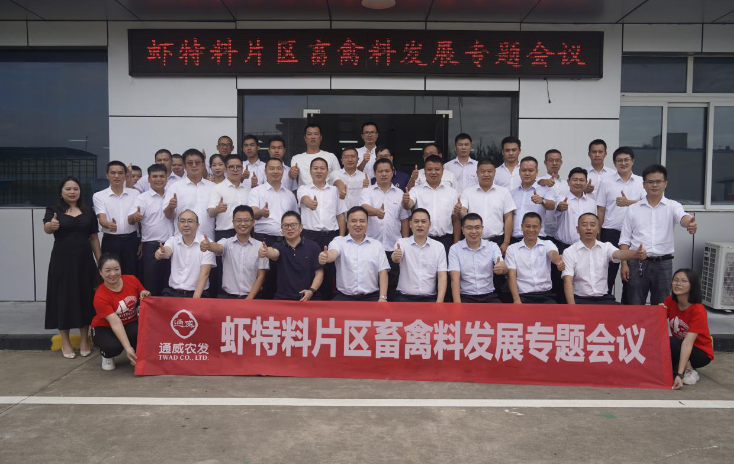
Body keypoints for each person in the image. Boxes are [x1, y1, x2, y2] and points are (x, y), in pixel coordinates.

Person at [619, 164, 697, 305]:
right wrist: (624, 264)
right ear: (644, 185)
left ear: (665, 184)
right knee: (634, 305)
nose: (654, 185)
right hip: (637, 263)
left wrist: (689, 223)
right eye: (650, 182)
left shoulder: (673, 206)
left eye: (658, 181)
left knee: (662, 306)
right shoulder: (633, 209)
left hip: (663, 264)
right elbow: (624, 240)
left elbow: (683, 217)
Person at [43, 176, 101, 359]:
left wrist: (100, 263)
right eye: (68, 189)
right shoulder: (53, 211)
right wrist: (51, 225)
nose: (72, 192)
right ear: (61, 192)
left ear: (80, 192)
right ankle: (65, 341)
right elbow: (47, 228)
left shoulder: (88, 212)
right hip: (62, 262)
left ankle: (84, 340)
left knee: (85, 297)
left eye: (75, 188)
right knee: (63, 298)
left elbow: (93, 238)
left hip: (85, 262)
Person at [562, 213, 647, 305]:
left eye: (592, 225)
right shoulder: (569, 252)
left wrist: (635, 254)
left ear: (598, 229)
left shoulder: (606, 247)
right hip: (580, 299)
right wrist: (572, 308)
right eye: (584, 225)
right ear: (577, 229)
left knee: (623, 311)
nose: (589, 228)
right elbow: (567, 280)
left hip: (603, 299)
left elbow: (618, 254)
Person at [596, 147, 645, 298]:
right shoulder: (606, 182)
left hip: (633, 235)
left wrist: (629, 202)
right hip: (610, 233)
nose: (623, 163)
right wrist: (598, 234)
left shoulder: (641, 182)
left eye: (626, 160)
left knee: (631, 277)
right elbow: (601, 209)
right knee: (607, 275)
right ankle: (605, 304)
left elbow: (648, 204)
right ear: (614, 163)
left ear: (632, 161)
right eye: (619, 160)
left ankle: (627, 308)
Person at [297, 157, 347, 300]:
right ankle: (308, 299)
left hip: (331, 236)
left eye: (322, 168)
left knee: (330, 271)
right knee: (309, 269)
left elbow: (340, 215)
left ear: (327, 171)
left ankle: (326, 302)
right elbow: (304, 199)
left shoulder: (334, 191)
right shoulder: (303, 189)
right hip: (309, 236)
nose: (319, 171)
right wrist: (310, 203)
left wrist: (340, 237)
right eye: (315, 168)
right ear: (310, 171)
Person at [360, 158, 410, 299]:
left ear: (393, 172)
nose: (384, 174)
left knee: (393, 283)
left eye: (387, 171)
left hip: (393, 246)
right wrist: (377, 212)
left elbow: (404, 219)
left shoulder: (399, 193)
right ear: (374, 173)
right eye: (380, 171)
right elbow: (363, 207)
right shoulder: (367, 191)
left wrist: (405, 242)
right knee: (371, 283)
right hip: (370, 246)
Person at [249, 157, 299, 298]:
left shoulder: (290, 195)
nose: (275, 171)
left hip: (287, 242)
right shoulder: (256, 191)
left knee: (285, 279)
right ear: (265, 171)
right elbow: (252, 213)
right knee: (265, 278)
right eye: (271, 168)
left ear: (283, 171)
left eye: (278, 168)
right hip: (264, 240)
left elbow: (296, 217)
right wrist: (261, 212)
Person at [91, 253, 149, 371]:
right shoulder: (100, 296)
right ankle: (107, 355)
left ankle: (135, 354)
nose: (113, 274)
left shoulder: (132, 280)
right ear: (100, 272)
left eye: (116, 269)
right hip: (105, 327)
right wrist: (127, 348)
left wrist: (146, 294)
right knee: (113, 347)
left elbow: (144, 295)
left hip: (129, 323)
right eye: (108, 270)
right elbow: (115, 322)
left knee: (140, 333)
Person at [319, 206, 390, 301]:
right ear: (347, 223)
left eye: (362, 221)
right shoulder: (339, 242)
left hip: (371, 297)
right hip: (344, 297)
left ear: (367, 223)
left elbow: (383, 272)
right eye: (353, 221)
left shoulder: (377, 245)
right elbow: (333, 253)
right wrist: (326, 257)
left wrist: (383, 297)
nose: (358, 224)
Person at [200, 205, 268, 299]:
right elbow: (218, 247)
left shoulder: (261, 246)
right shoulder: (226, 243)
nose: (243, 224)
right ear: (233, 222)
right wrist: (209, 245)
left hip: (253, 298)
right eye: (239, 220)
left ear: (253, 222)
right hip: (228, 298)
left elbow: (261, 276)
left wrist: (248, 300)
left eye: (246, 220)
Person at [207, 154, 250, 298]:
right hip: (225, 232)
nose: (235, 170)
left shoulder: (248, 189)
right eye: (231, 167)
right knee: (223, 270)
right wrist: (217, 209)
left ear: (242, 169)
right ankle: (222, 299)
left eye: (238, 167)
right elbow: (210, 212)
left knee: (244, 267)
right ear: (226, 169)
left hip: (245, 233)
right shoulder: (218, 188)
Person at [128, 164, 174, 296]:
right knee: (151, 283)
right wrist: (135, 217)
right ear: (148, 179)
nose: (158, 179)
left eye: (161, 176)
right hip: (151, 247)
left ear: (166, 178)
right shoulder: (142, 198)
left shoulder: (172, 196)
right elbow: (130, 219)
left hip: (173, 245)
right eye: (154, 176)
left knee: (171, 282)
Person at [664, 269, 713, 389]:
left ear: (692, 285)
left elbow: (687, 343)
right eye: (675, 280)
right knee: (664, 342)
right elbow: (656, 326)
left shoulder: (698, 310)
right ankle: (677, 366)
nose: (678, 283)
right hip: (680, 346)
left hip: (700, 352)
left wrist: (679, 375)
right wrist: (658, 312)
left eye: (683, 281)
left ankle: (689, 370)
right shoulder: (669, 301)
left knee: (671, 342)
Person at [258, 211, 324, 301]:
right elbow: (274, 253)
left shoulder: (313, 246)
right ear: (281, 229)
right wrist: (266, 251)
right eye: (286, 225)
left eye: (293, 225)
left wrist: (311, 290)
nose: (289, 228)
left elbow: (319, 273)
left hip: (310, 298)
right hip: (283, 299)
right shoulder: (278, 246)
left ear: (301, 227)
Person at [403, 155, 460, 256]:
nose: (433, 172)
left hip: (445, 240)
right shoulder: (416, 190)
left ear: (442, 171)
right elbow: (408, 205)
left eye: (437, 169)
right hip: (421, 239)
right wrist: (406, 201)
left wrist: (456, 244)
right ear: (424, 172)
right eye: (429, 169)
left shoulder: (452, 193)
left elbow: (455, 219)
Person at [458, 158, 516, 255]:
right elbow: (463, 212)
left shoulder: (504, 192)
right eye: (482, 171)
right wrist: (459, 210)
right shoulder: (468, 192)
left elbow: (508, 218)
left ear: (494, 172)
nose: (486, 174)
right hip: (473, 241)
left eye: (489, 171)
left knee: (498, 265)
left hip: (497, 241)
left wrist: (506, 242)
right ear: (477, 173)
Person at [93, 161, 140, 276]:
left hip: (131, 240)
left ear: (125, 175)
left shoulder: (135, 193)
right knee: (111, 274)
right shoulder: (99, 196)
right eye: (113, 173)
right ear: (107, 175)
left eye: (120, 173)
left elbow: (136, 217)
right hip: (111, 241)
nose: (116, 176)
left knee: (131, 274)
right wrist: (108, 225)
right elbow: (102, 218)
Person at [506, 212, 564, 304]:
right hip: (523, 296)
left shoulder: (548, 244)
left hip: (546, 295)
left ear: (540, 228)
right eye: (528, 226)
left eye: (535, 227)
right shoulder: (512, 249)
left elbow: (553, 254)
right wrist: (516, 299)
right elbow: (511, 275)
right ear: (521, 226)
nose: (531, 230)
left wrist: (558, 260)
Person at [156, 210, 216, 298]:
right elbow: (167, 251)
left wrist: (195, 300)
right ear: (178, 225)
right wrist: (161, 252)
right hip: (173, 293)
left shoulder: (206, 243)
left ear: (197, 226)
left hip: (198, 294)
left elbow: (205, 274)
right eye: (182, 221)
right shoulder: (173, 240)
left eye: (190, 221)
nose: (186, 224)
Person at [448, 213, 507, 303]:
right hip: (465, 296)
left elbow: (503, 266)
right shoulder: (455, 249)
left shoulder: (492, 246)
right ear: (462, 230)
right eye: (469, 228)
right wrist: (457, 305)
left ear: (482, 229)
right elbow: (454, 279)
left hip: (489, 295)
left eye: (477, 227)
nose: (474, 231)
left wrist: (502, 268)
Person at [392, 209, 448, 302]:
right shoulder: (402, 243)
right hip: (404, 298)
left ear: (430, 224)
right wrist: (396, 256)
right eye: (416, 221)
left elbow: (442, 276)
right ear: (410, 224)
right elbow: (395, 257)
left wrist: (439, 301)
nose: (420, 225)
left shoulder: (439, 247)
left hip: (429, 298)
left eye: (423, 221)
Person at [163, 149, 216, 239]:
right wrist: (170, 207)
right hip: (182, 240)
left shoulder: (213, 187)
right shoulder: (175, 187)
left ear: (203, 165)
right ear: (184, 166)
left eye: (197, 162)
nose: (194, 165)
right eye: (190, 163)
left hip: (208, 238)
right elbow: (168, 216)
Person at [510, 156, 556, 244]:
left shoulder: (545, 189)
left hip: (537, 239)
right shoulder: (512, 193)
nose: (527, 173)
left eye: (530, 170)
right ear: (519, 172)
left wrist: (542, 200)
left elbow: (552, 205)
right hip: (515, 240)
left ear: (537, 172)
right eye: (524, 170)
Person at [553, 167, 597, 252]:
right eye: (575, 180)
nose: (578, 183)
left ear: (586, 182)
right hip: (563, 247)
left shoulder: (592, 202)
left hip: (586, 248)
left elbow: (594, 225)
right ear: (568, 182)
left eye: (581, 180)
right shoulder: (560, 199)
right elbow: (558, 207)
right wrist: (560, 207)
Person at [537, 149, 565, 238]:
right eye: (551, 160)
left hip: (562, 231)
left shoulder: (566, 184)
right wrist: (544, 181)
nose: (554, 163)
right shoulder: (538, 181)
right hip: (542, 232)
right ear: (545, 162)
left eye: (557, 160)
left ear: (561, 162)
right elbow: (538, 182)